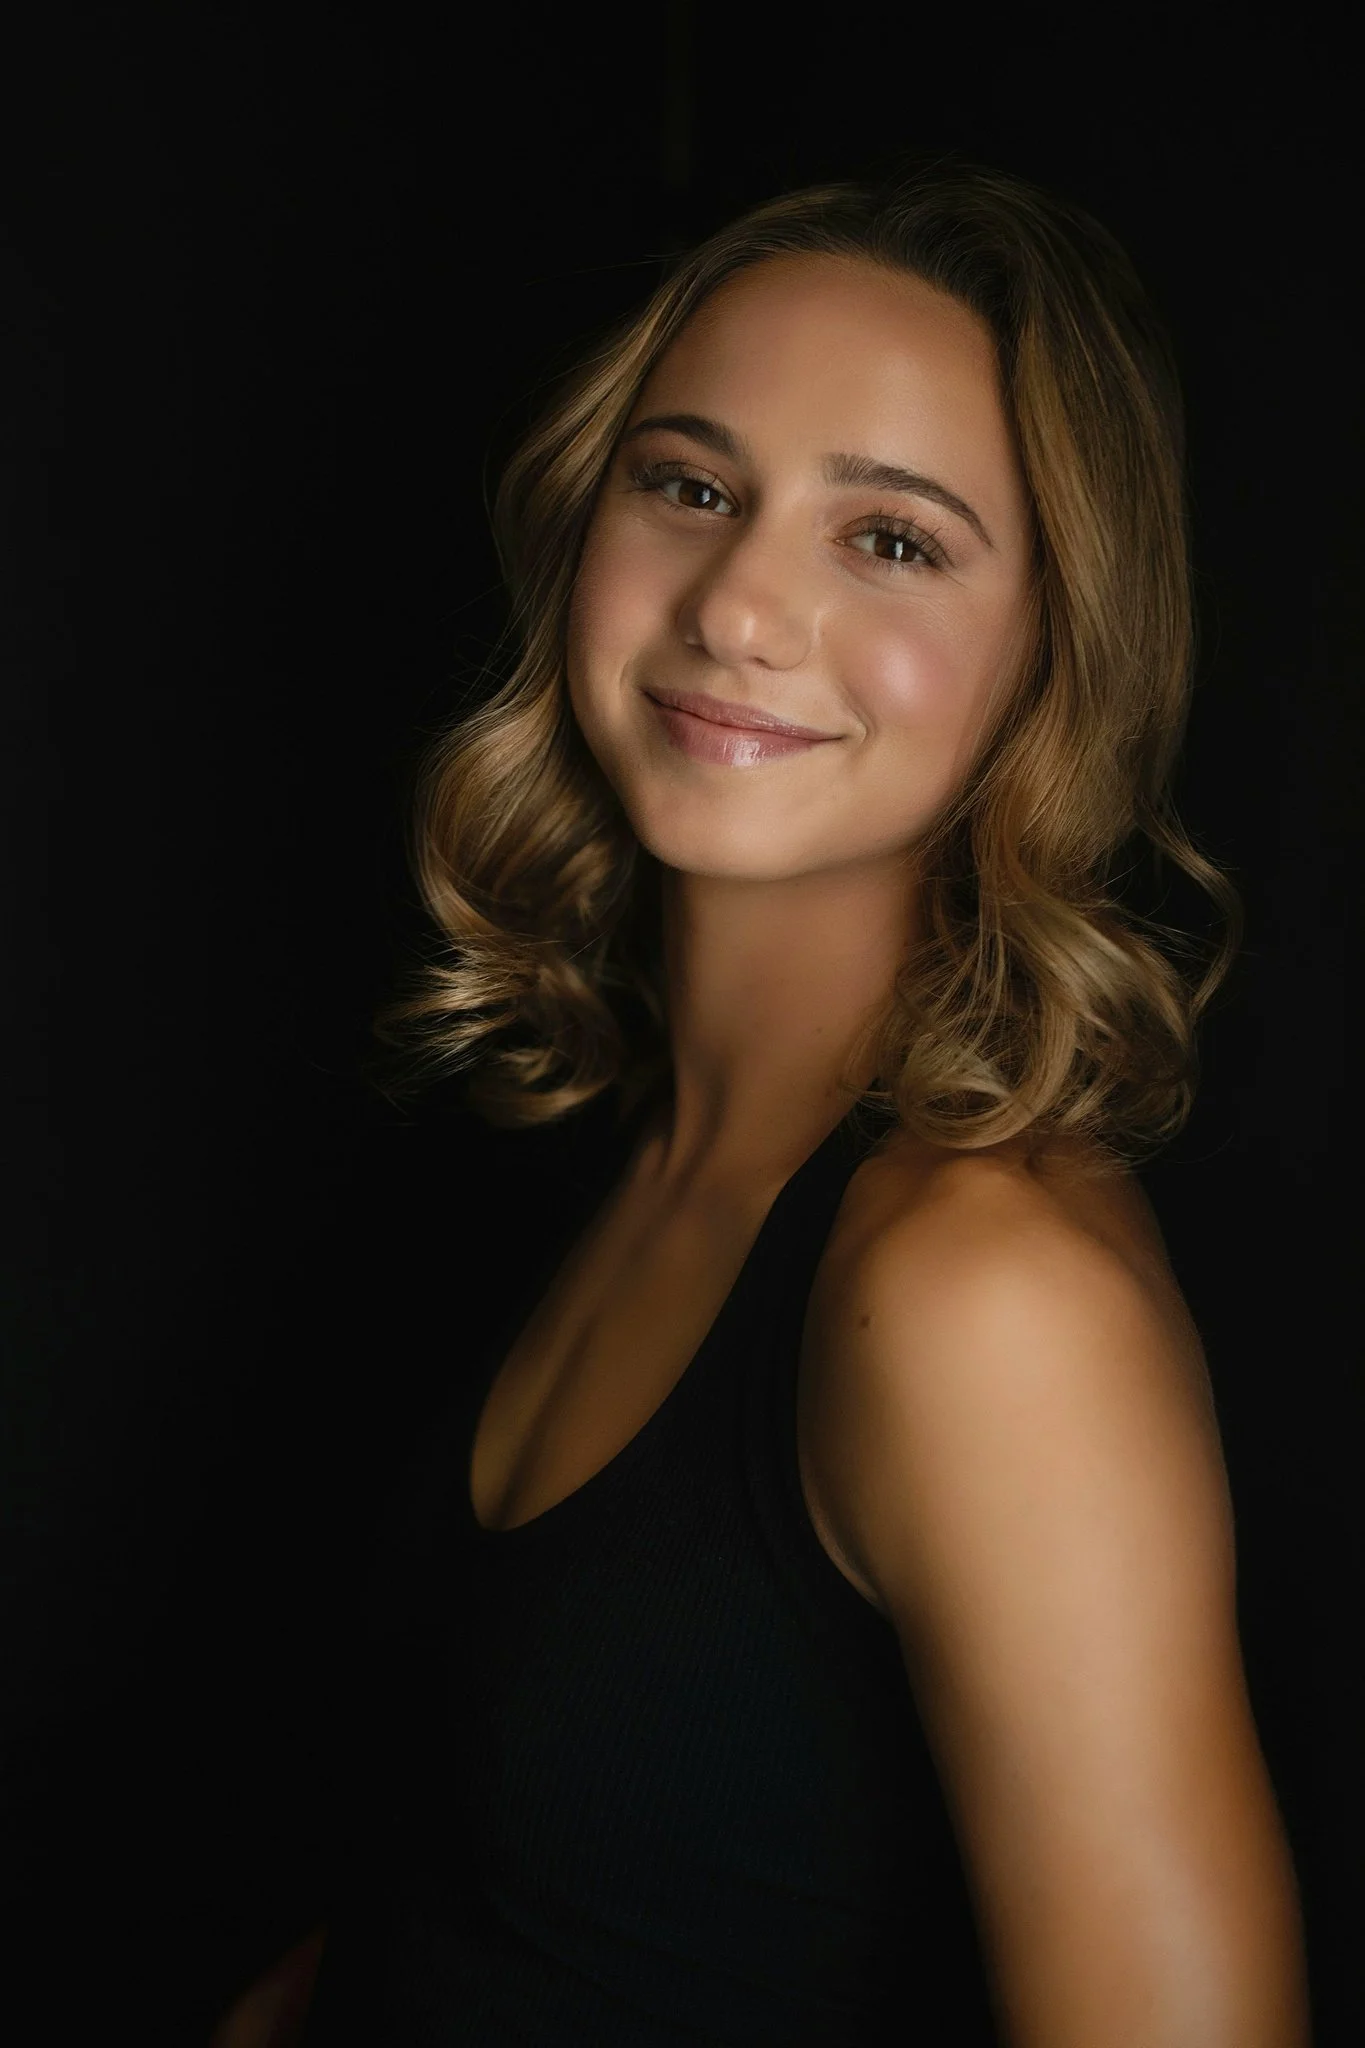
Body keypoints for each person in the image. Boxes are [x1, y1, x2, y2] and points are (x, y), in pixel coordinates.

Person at [214, 161, 1310, 2046]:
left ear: (1055, 646)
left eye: (891, 539)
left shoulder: (986, 1298)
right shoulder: (652, 1139)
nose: (736, 606)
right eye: (693, 485)